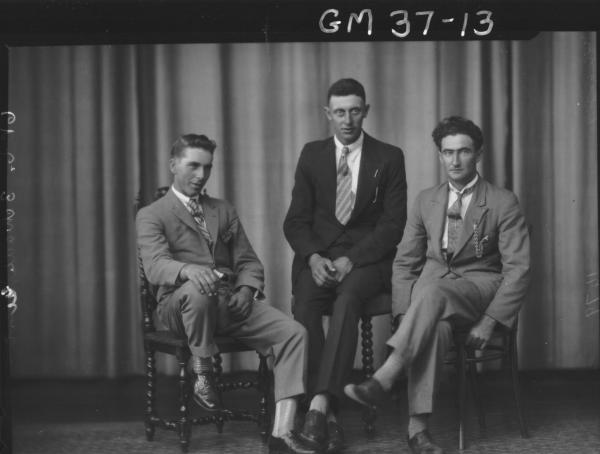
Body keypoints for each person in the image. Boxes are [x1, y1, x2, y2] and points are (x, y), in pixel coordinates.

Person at [344, 116, 531, 454]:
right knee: (437, 327)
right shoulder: (425, 200)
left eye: (463, 152)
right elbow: (405, 263)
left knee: (430, 292)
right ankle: (418, 432)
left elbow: (518, 269)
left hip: (479, 290)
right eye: (448, 153)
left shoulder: (503, 201)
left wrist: (491, 321)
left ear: (478, 155)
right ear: (439, 156)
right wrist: (405, 314)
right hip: (432, 302)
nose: (455, 161)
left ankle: (388, 374)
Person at [136, 134, 316, 454]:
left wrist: (247, 290)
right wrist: (189, 270)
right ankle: (202, 369)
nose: (201, 175)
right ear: (173, 165)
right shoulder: (152, 214)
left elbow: (247, 261)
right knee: (198, 289)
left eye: (207, 168)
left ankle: (283, 433)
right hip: (179, 307)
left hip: (227, 304)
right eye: (193, 166)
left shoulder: (222, 209)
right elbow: (155, 266)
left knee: (294, 333)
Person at [283, 78, 407, 453]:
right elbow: (295, 220)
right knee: (304, 304)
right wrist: (314, 257)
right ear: (328, 114)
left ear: (366, 111)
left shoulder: (389, 157)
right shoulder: (311, 154)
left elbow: (393, 225)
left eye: (355, 110)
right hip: (320, 259)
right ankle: (332, 417)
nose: (348, 119)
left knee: (348, 300)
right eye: (340, 112)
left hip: (366, 261)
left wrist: (353, 258)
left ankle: (319, 404)